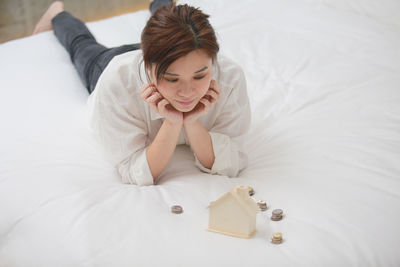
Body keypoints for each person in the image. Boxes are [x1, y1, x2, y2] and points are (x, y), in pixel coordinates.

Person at [33, 0, 251, 186]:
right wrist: (172, 123)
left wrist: (192, 122)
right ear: (147, 66)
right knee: (81, 46)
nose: (187, 93)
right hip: (115, 61)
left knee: (168, 22)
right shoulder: (117, 83)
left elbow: (230, 162)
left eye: (199, 76)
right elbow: (134, 170)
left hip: (167, 53)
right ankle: (57, 13)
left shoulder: (229, 78)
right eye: (172, 79)